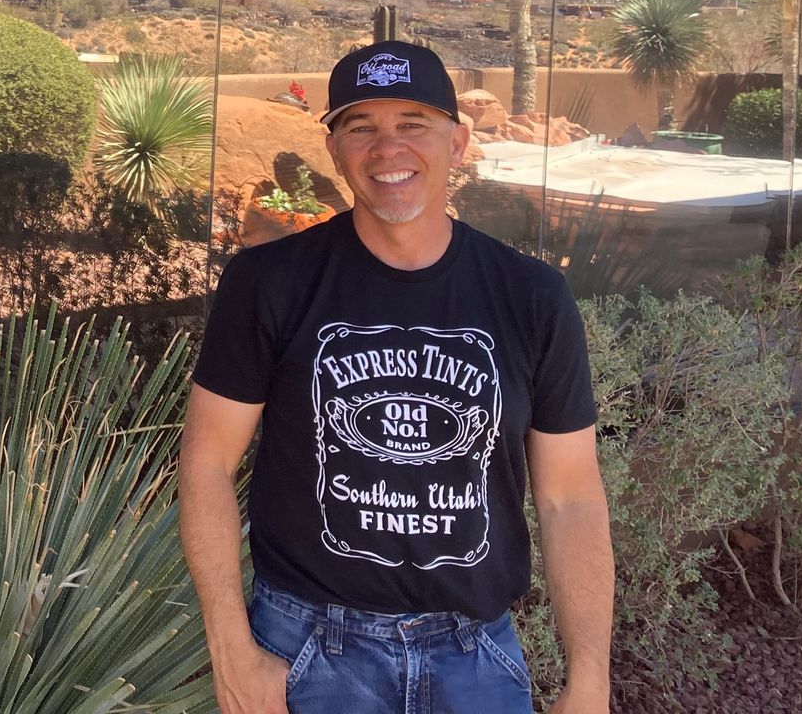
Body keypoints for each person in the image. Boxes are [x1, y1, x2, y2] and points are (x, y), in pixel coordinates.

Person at [180, 40, 612, 714]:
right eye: (361, 126)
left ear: (458, 142)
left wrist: (590, 678)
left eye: (413, 122)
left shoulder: (530, 296)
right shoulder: (269, 283)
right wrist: (231, 651)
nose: (388, 148)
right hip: (306, 649)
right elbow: (207, 462)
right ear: (333, 148)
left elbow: (571, 498)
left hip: (476, 659)